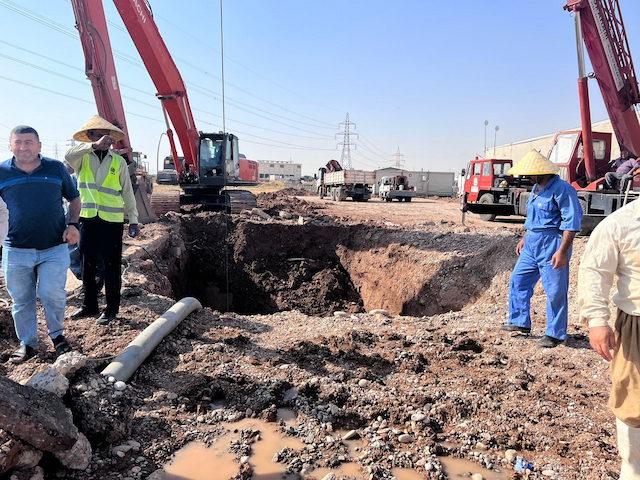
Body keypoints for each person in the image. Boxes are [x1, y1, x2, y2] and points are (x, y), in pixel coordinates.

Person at [1, 125, 80, 363]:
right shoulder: (2, 172)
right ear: (10, 145)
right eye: (18, 142)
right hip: (15, 250)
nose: (23, 147)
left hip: (53, 247)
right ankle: (27, 343)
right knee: (22, 299)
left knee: (52, 293)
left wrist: (73, 225)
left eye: (28, 142)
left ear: (39, 146)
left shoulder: (55, 168)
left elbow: (74, 198)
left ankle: (57, 336)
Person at [578, 200, 640, 478]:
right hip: (636, 322)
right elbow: (595, 271)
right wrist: (597, 322)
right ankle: (633, 467)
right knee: (632, 400)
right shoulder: (620, 223)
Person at [500, 149, 583, 348]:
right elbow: (532, 219)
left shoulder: (562, 189)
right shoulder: (536, 189)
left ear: (542, 172)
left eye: (530, 174)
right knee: (518, 280)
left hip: (552, 244)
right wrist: (524, 238)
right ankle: (520, 322)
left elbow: (571, 222)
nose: (527, 178)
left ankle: (555, 334)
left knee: (555, 290)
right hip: (531, 244)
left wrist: (562, 252)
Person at [65, 116, 138, 325]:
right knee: (87, 264)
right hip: (87, 219)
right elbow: (68, 155)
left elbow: (127, 192)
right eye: (99, 135)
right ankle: (89, 306)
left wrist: (133, 219)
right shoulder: (82, 158)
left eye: (108, 137)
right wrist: (92, 146)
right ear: (90, 137)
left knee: (111, 265)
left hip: (112, 221)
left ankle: (112, 309)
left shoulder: (118, 162)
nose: (105, 140)